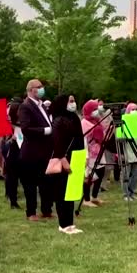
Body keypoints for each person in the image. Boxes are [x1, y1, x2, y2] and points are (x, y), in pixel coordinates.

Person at [18, 79, 54, 221]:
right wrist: (46, 130)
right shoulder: (25, 106)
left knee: (46, 183)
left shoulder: (42, 105)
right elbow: (25, 129)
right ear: (31, 90)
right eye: (39, 87)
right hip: (31, 152)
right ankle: (31, 212)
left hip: (44, 151)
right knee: (31, 185)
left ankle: (47, 210)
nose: (41, 89)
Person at [49, 94, 84, 234]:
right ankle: (63, 224)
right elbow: (57, 142)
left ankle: (70, 223)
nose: (73, 103)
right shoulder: (59, 120)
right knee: (62, 192)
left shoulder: (74, 118)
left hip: (77, 156)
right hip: (65, 158)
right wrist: (63, 159)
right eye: (70, 101)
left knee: (72, 192)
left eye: (74, 100)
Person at [81, 100, 105, 207]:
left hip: (99, 151)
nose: (96, 111)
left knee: (101, 173)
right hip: (90, 153)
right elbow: (84, 140)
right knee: (89, 176)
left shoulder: (98, 121)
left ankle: (94, 196)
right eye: (94, 109)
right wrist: (85, 156)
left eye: (96, 109)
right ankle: (86, 199)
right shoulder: (84, 123)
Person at [120, 103, 137, 201]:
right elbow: (120, 137)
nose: (135, 111)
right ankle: (126, 194)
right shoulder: (123, 122)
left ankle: (132, 192)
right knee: (126, 174)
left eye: (136, 109)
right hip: (128, 151)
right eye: (132, 109)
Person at [3, 98, 23, 209]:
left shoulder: (25, 122)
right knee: (12, 177)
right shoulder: (9, 124)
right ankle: (13, 200)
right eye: (19, 110)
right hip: (12, 151)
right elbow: (5, 141)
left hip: (23, 151)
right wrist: (12, 138)